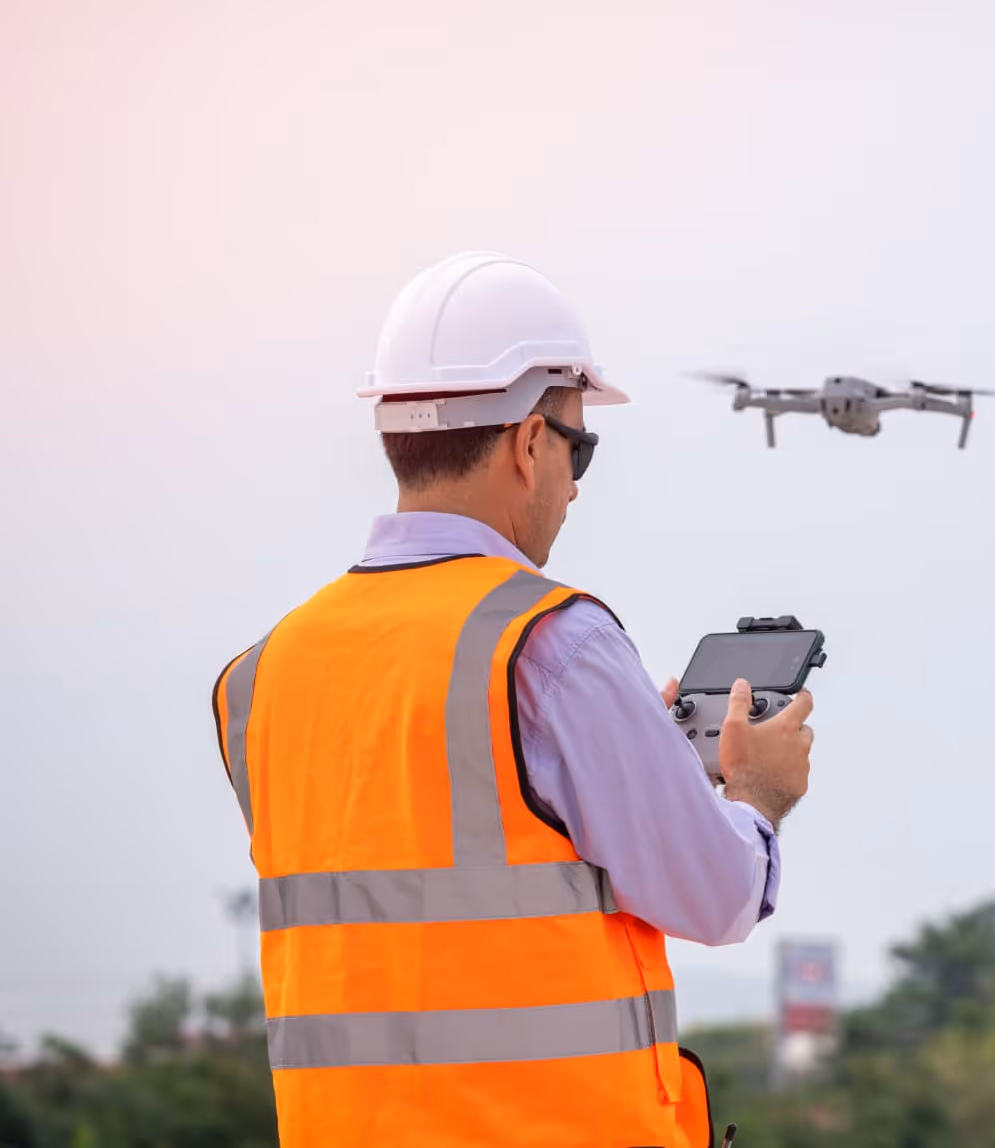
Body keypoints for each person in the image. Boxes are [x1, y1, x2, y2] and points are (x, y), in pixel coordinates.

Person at [210, 251, 815, 1147]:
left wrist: (617, 760)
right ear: (530, 444)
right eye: (581, 445)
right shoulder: (552, 645)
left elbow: (429, 888)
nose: (575, 484)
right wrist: (755, 794)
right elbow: (716, 891)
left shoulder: (260, 677)